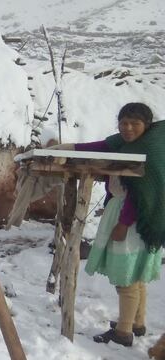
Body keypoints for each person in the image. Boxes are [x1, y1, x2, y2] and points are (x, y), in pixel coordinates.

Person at [49, 102, 164, 347]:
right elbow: (97, 147)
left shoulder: (148, 151)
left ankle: (123, 333)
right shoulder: (125, 143)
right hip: (129, 214)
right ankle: (136, 322)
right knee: (136, 272)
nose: (128, 128)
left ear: (147, 124)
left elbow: (140, 194)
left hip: (131, 218)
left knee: (126, 276)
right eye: (123, 123)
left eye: (135, 123)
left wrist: (123, 223)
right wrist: (65, 148)